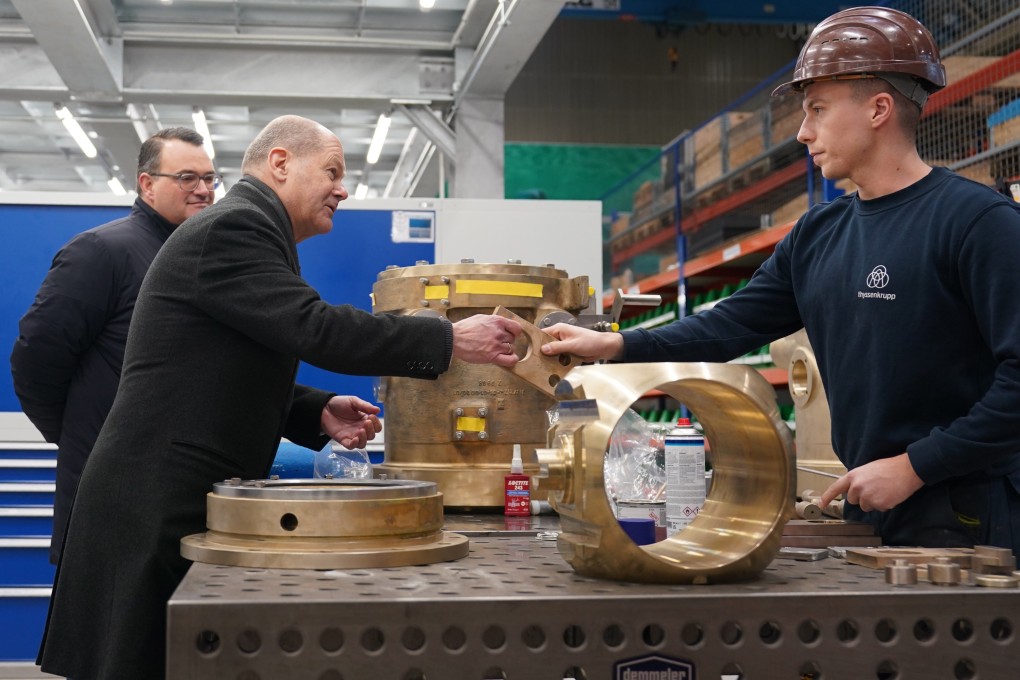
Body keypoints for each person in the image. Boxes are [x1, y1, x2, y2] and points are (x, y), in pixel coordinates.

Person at [36, 115, 522, 680]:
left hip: (172, 491)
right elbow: (314, 327)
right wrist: (449, 337)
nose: (344, 189)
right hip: (152, 500)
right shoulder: (234, 227)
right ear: (281, 163)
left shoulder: (250, 228)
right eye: (333, 172)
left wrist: (314, 409)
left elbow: (223, 364)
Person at [542, 7, 1020, 556]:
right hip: (876, 500)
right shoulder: (820, 232)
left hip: (972, 508)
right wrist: (618, 344)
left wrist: (917, 465)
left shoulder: (977, 223)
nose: (802, 132)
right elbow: (733, 325)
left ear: (879, 109)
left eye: (816, 109)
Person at [10, 127, 216, 564]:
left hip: (170, 496)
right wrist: (80, 435)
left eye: (210, 178)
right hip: (107, 500)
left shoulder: (197, 259)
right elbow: (35, 357)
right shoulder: (103, 251)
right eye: (187, 178)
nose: (202, 190)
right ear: (147, 184)